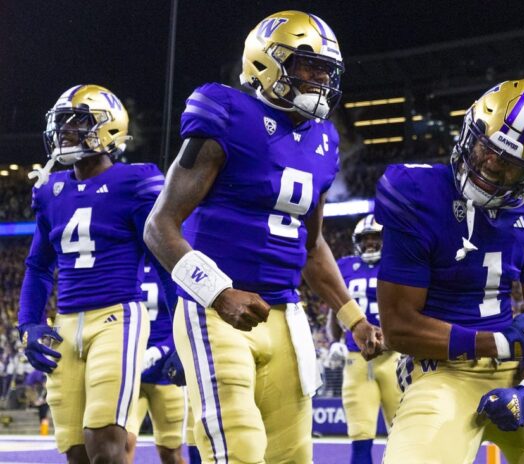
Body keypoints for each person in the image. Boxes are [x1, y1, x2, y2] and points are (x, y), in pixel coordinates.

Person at [144, 11, 383, 463]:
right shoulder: (227, 112)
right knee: (238, 448)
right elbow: (159, 225)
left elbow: (311, 245)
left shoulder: (325, 140)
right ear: (265, 62)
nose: (320, 79)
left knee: (293, 455)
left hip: (285, 314)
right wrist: (219, 293)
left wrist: (353, 318)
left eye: (326, 71)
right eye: (308, 66)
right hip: (214, 312)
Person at [375, 79, 524, 463]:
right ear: (470, 132)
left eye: (510, 164)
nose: (489, 164)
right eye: (487, 147)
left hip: (512, 370)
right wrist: (497, 343)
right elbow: (398, 326)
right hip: (440, 370)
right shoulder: (415, 192)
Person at [17, 85, 175, 463]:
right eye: (62, 122)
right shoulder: (51, 190)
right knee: (75, 451)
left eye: (78, 122)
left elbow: (166, 262)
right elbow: (38, 266)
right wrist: (28, 323)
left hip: (117, 317)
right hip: (65, 324)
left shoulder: (135, 182)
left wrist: (181, 338)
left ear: (110, 128)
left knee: (104, 442)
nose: (66, 131)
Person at [327, 214, 402, 464]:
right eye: (365, 238)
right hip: (356, 360)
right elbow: (334, 309)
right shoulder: (345, 266)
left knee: (403, 434)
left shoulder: (399, 265)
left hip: (394, 358)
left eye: (375, 237)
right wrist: (334, 341)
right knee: (360, 435)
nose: (370, 243)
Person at [126, 261, 184, 464]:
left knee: (170, 454)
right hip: (132, 371)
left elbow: (184, 320)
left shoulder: (170, 263)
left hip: (167, 374)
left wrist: (161, 350)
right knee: (124, 442)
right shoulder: (126, 262)